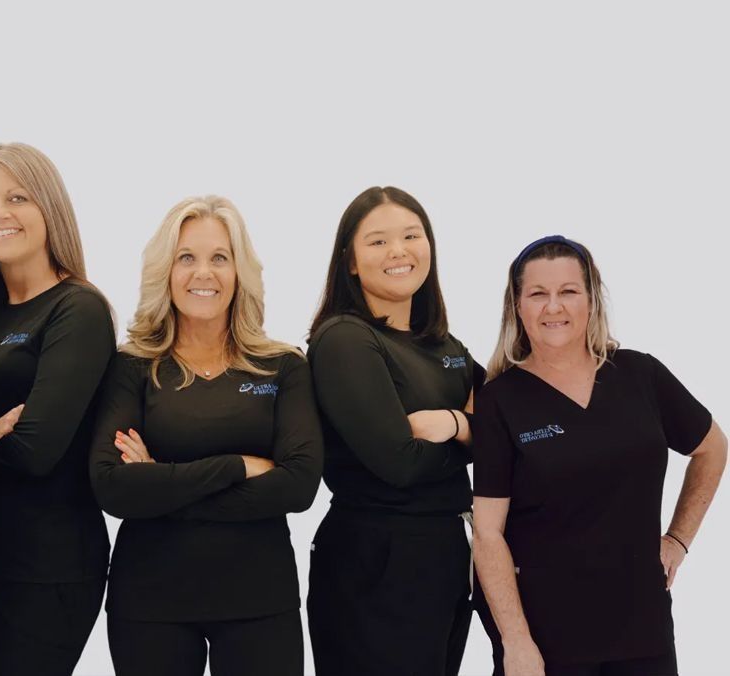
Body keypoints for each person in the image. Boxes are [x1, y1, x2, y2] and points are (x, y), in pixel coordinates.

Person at [472, 235, 727, 676]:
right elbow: (488, 534)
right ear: (517, 306)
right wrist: (516, 642)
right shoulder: (500, 399)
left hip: (643, 631)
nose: (554, 307)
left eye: (568, 291)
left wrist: (678, 539)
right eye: (538, 294)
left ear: (591, 300)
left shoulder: (639, 373)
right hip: (547, 640)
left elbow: (712, 447)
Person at [89, 195, 323, 676]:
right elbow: (112, 486)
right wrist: (237, 468)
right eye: (186, 258)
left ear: (240, 272)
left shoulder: (283, 366)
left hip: (261, 599)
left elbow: (299, 486)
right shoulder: (133, 365)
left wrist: (160, 482)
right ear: (165, 272)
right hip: (150, 602)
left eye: (220, 257)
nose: (204, 273)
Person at [0, 142, 114, 676]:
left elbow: (35, 452)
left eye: (16, 197)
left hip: (46, 569)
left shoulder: (77, 309)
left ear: (49, 207)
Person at [305, 186, 477, 676]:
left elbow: (506, 428)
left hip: (443, 555)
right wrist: (471, 436)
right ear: (351, 262)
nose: (399, 251)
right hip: (376, 562)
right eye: (378, 242)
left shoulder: (445, 344)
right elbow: (398, 463)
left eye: (411, 235)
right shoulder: (345, 339)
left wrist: (452, 423)